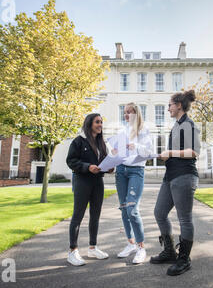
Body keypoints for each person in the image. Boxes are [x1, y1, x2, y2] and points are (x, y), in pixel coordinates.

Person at [150, 90, 201, 276]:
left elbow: (194, 152)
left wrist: (169, 153)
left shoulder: (188, 124)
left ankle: (184, 259)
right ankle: (170, 251)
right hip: (170, 175)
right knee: (159, 212)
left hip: (185, 176)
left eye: (170, 105)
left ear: (179, 105)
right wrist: (166, 156)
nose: (168, 108)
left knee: (184, 218)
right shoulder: (177, 126)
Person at [66, 113, 113, 266]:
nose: (100, 124)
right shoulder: (79, 141)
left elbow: (103, 162)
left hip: (97, 183)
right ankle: (73, 251)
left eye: (101, 122)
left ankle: (92, 247)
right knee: (78, 215)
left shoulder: (101, 143)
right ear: (89, 124)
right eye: (97, 122)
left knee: (95, 215)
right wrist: (87, 167)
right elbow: (71, 161)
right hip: (82, 181)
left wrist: (109, 168)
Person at [112, 103, 153, 264]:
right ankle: (130, 244)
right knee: (123, 208)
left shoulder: (144, 130)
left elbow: (148, 153)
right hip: (121, 170)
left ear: (136, 113)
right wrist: (114, 152)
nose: (126, 115)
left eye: (129, 112)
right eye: (124, 112)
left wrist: (135, 145)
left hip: (136, 171)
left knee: (132, 209)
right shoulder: (122, 131)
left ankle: (141, 247)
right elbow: (117, 152)